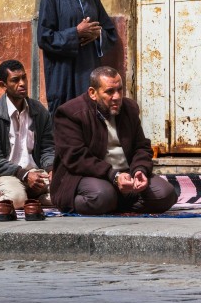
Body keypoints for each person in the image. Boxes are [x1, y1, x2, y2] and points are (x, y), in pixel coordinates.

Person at [50, 66, 177, 215]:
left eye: (120, 90)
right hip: (87, 176)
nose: (116, 96)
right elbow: (76, 157)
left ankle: (115, 203)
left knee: (166, 194)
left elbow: (141, 147)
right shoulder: (70, 113)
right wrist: (113, 176)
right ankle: (108, 201)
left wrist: (139, 170)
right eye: (109, 91)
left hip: (126, 174)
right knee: (102, 196)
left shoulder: (129, 108)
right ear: (93, 93)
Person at [37, 0, 118, 114]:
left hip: (89, 69)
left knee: (92, 115)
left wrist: (98, 34)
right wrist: (76, 33)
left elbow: (110, 32)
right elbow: (44, 38)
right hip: (62, 75)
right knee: (66, 120)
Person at [0, 59, 55, 210]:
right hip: (2, 175)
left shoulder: (39, 111)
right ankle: (5, 198)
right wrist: (23, 174)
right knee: (16, 199)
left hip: (35, 174)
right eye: (15, 80)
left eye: (24, 77)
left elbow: (47, 148)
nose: (22, 83)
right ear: (3, 85)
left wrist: (51, 169)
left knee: (66, 192)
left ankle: (34, 197)